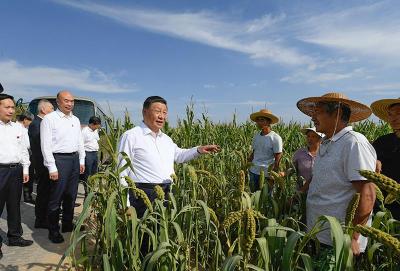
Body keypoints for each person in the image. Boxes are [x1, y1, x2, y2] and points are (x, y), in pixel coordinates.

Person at [296, 92, 376, 255]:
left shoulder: (354, 143)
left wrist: (353, 237)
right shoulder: (326, 142)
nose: (312, 117)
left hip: (339, 239)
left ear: (337, 113)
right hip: (318, 233)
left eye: (317, 112)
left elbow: (367, 194)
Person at [118, 96, 220, 217]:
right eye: (157, 111)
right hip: (142, 195)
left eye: (164, 112)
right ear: (144, 112)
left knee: (161, 232)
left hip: (166, 193)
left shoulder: (166, 139)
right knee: (144, 234)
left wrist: (198, 150)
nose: (162, 116)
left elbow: (179, 155)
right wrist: (125, 204)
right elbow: (122, 171)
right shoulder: (131, 136)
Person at [40, 90, 85, 243]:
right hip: (59, 160)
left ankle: (67, 224)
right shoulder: (50, 119)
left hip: (74, 160)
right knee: (56, 197)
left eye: (72, 101)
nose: (69, 103)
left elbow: (80, 141)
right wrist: (51, 167)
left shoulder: (76, 120)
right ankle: (53, 230)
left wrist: (81, 160)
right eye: (66, 100)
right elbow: (45, 145)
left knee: (71, 195)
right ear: (58, 102)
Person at [0, 93, 33, 259]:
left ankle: (14, 236)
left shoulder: (18, 128)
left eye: (13, 107)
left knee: (14, 205)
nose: (11, 110)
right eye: (7, 107)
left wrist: (25, 169)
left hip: (16, 171)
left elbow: (23, 151)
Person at [370, 98, 400, 220]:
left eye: (398, 113)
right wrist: (373, 161)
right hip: (383, 211)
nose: (393, 118)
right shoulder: (382, 142)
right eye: (390, 114)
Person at [28, 99, 54, 228]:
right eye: (51, 109)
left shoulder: (43, 123)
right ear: (43, 110)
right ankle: (41, 220)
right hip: (42, 164)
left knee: (47, 192)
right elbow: (41, 146)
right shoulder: (36, 124)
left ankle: (45, 217)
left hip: (45, 163)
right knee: (43, 192)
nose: (53, 111)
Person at [248, 109, 283, 192]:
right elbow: (254, 152)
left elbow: (278, 157)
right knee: (253, 196)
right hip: (253, 171)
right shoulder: (256, 136)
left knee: (266, 199)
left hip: (267, 173)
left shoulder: (275, 138)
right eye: (258, 120)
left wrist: (274, 174)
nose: (259, 122)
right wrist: (247, 165)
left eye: (262, 120)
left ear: (269, 122)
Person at [292, 127, 324, 193]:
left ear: (320, 139)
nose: (310, 139)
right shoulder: (299, 153)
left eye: (313, 136)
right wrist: (283, 174)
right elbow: (291, 168)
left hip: (320, 192)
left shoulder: (325, 153)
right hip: (301, 192)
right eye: (308, 136)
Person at [16, 112, 35, 203]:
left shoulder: (24, 128)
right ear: (25, 120)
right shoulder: (19, 129)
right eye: (30, 121)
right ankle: (26, 197)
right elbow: (25, 146)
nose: (31, 124)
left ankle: (26, 196)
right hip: (21, 158)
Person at [81, 116, 101, 197]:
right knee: (87, 174)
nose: (99, 127)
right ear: (92, 124)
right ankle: (87, 191)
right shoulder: (84, 131)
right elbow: (81, 144)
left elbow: (96, 141)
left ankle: (92, 190)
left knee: (94, 173)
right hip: (87, 154)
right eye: (98, 125)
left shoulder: (95, 131)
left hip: (95, 153)